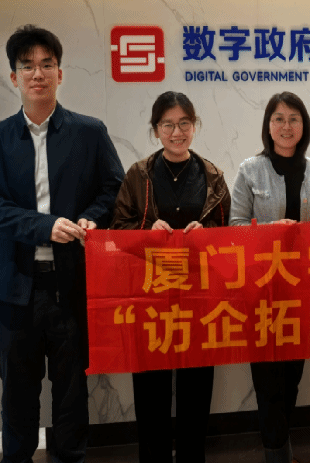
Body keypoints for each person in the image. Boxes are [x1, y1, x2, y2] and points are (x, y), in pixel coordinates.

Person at [0, 25, 124, 463]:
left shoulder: (89, 132)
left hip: (71, 285)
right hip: (15, 286)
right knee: (18, 397)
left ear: (60, 73)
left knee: (72, 394)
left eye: (47, 65)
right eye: (27, 66)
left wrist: (91, 218)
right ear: (13, 77)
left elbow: (113, 189)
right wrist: (44, 226)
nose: (38, 73)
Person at [111, 91, 231, 463]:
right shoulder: (139, 174)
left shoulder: (213, 175)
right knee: (151, 391)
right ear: (155, 130)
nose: (176, 132)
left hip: (199, 298)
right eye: (167, 125)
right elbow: (118, 228)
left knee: (197, 388)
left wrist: (206, 232)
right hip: (151, 296)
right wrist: (147, 230)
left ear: (194, 126)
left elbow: (228, 235)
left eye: (184, 123)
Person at [229, 91, 310, 463]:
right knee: (268, 380)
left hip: (301, 291)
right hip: (262, 291)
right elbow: (234, 228)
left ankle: (281, 445)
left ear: (304, 125)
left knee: (292, 378)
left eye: (293, 119)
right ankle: (276, 453)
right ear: (268, 125)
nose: (286, 126)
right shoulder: (249, 170)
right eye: (278, 119)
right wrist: (272, 231)